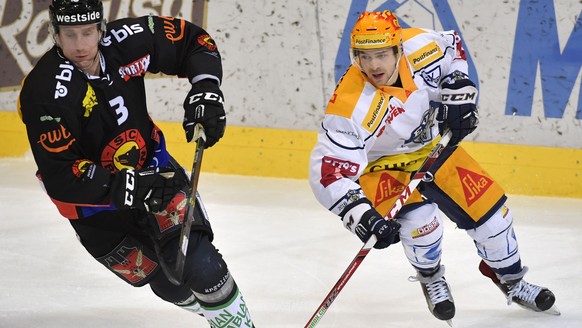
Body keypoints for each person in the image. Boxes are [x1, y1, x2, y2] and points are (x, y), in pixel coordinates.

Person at [308, 10, 559, 324]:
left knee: (495, 221)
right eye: (365, 57)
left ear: (398, 48)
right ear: (355, 56)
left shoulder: (421, 45)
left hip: (434, 149)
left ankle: (512, 280)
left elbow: (454, 48)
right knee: (421, 226)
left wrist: (459, 84)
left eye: (382, 55)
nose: (374, 66)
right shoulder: (350, 104)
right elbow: (328, 172)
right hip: (382, 167)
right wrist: (359, 215)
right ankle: (430, 277)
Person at [18, 0, 254, 326]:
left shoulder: (127, 40)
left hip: (155, 173)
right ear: (55, 35)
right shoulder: (43, 92)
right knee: (165, 283)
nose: (81, 45)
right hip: (92, 208)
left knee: (200, 264)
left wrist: (206, 87)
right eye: (69, 35)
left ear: (101, 28)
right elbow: (60, 174)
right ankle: (220, 315)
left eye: (88, 33)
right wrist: (124, 186)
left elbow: (193, 42)